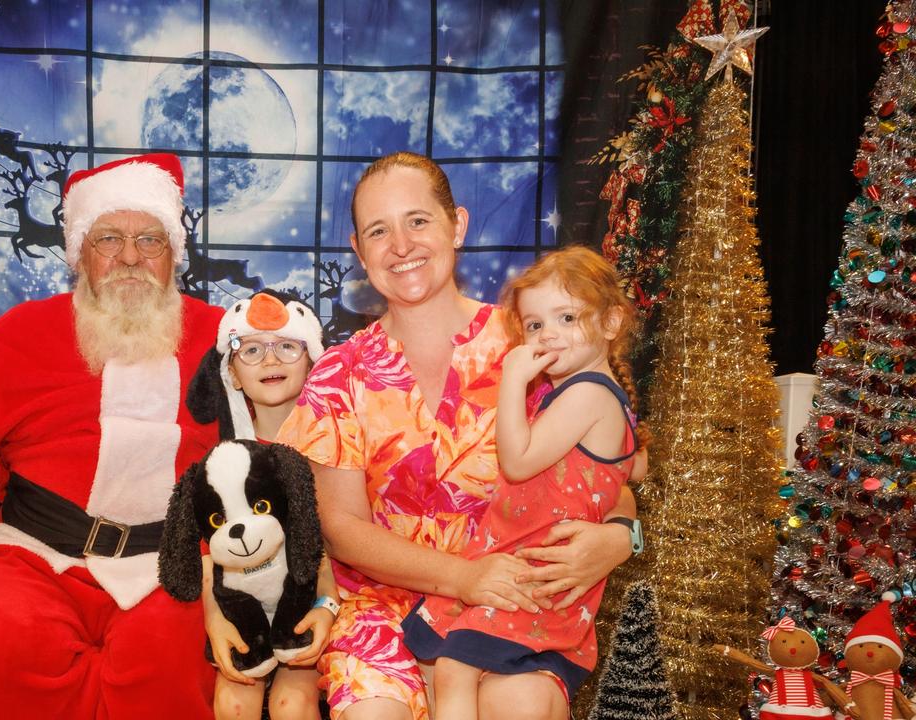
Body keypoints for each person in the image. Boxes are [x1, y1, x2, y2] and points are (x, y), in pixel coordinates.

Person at [276, 152, 640, 720]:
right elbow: (342, 529)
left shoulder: (535, 344)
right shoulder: (338, 374)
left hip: (511, 599)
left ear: (458, 225)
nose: (401, 245)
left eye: (418, 220)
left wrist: (623, 538)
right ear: (358, 250)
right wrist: (464, 576)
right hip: (384, 605)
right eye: (379, 230)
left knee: (524, 704)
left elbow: (602, 474)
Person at [0, 153, 224, 718]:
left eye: (150, 240)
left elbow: (273, 453)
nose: (130, 258)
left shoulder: (222, 337)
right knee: (4, 640)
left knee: (171, 664)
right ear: (79, 253)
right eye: (108, 239)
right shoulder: (23, 333)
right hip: (37, 556)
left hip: (175, 560)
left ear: (174, 254)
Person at [400, 245, 644, 720]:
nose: (549, 334)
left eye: (567, 318)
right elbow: (630, 468)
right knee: (450, 665)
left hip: (532, 570)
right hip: (521, 562)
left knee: (452, 666)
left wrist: (513, 379)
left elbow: (517, 461)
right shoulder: (586, 395)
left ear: (613, 323)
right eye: (535, 325)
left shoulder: (587, 394)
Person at [190, 291, 341, 720]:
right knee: (232, 703)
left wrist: (325, 610)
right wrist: (215, 620)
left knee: (292, 705)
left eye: (286, 347)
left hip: (310, 603)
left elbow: (330, 550)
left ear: (311, 360)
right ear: (232, 374)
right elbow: (205, 551)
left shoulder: (333, 446)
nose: (270, 361)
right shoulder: (222, 459)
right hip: (241, 603)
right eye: (252, 350)